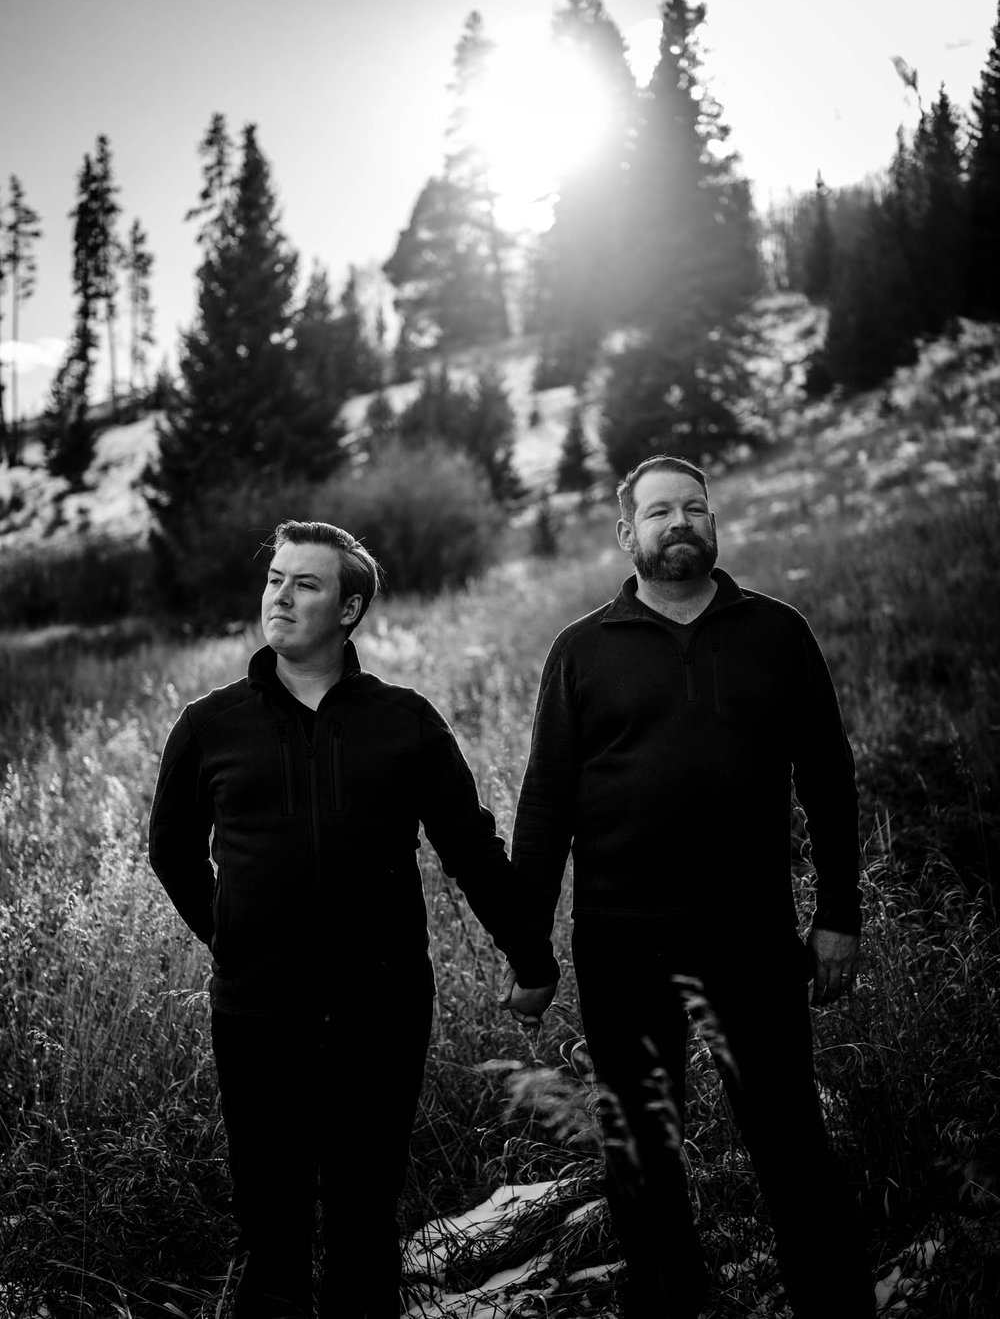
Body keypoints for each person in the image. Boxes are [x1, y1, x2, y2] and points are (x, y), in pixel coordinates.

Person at [148, 520, 558, 1319]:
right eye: (275, 579)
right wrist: (233, 940)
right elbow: (170, 851)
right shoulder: (210, 723)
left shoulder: (403, 719)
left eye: (305, 583)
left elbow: (470, 847)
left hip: (382, 1008)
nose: (281, 596)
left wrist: (530, 957)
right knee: (270, 1225)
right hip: (257, 1013)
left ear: (350, 608)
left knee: (365, 1223)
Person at [507, 456, 875, 1319]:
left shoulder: (777, 632)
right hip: (622, 947)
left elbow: (829, 779)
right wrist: (529, 949)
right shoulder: (582, 650)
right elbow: (545, 807)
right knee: (641, 1157)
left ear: (712, 523)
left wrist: (840, 916)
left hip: (750, 938)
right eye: (660, 511)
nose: (680, 523)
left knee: (790, 1143)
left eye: (695, 508)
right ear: (626, 532)